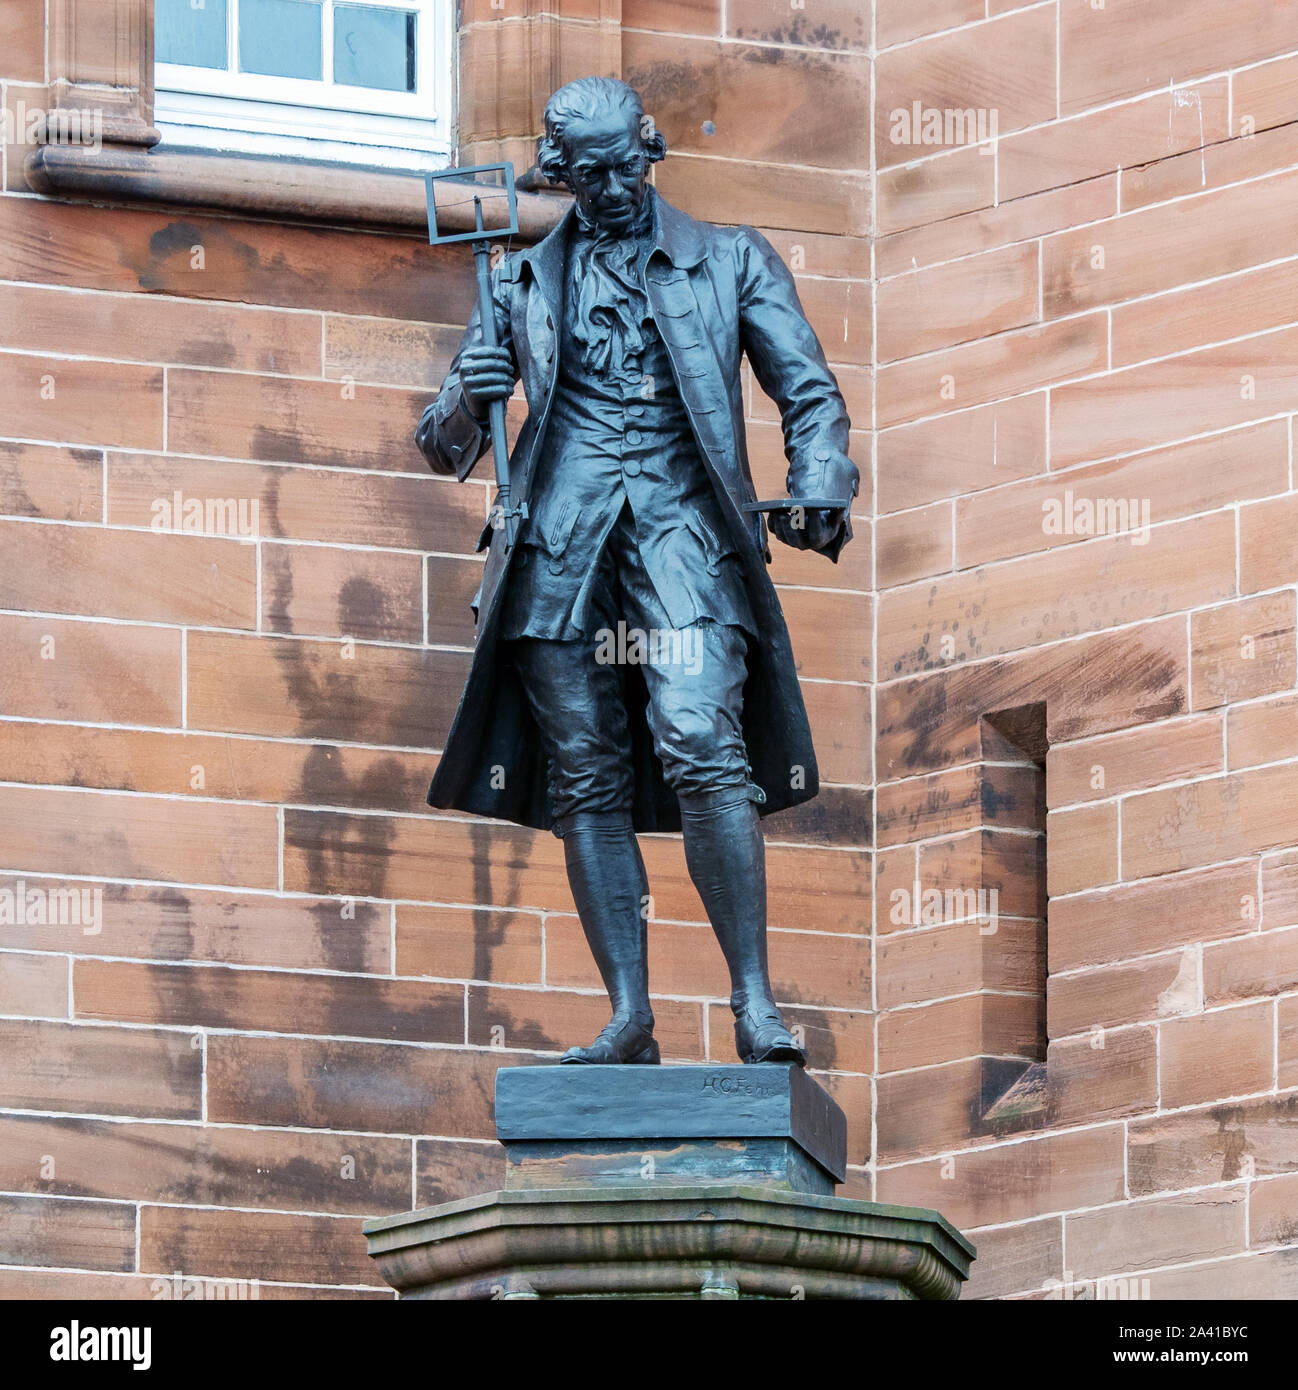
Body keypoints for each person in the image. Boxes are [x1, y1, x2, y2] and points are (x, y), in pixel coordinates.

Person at [417, 76, 858, 1066]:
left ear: (649, 152)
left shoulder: (730, 259)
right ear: (561, 173)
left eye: (628, 166)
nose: (613, 188)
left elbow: (808, 393)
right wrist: (467, 397)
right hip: (558, 545)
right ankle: (627, 1017)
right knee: (585, 774)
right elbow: (441, 444)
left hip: (681, 534)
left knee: (700, 732)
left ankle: (752, 1003)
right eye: (592, 174)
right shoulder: (518, 281)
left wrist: (819, 480)